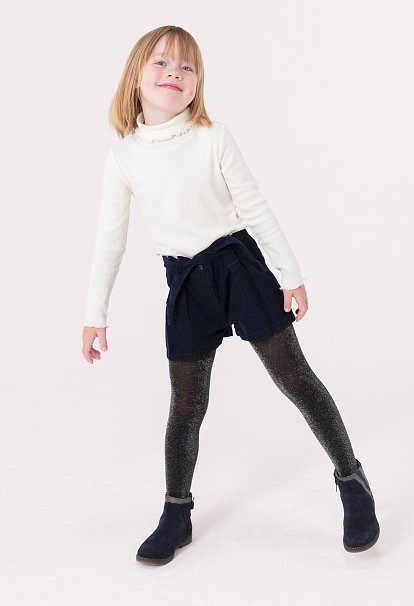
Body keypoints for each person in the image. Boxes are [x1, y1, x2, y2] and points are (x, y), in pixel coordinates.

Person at [81, 25, 380, 565]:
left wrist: (289, 274)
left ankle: (352, 482)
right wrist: (94, 314)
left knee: (294, 377)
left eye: (187, 67)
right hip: (185, 284)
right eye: (161, 63)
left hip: (238, 267)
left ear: (197, 85)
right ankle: (176, 512)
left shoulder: (212, 137)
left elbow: (255, 207)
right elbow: (110, 239)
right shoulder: (124, 155)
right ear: (135, 77)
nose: (174, 73)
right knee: (186, 405)